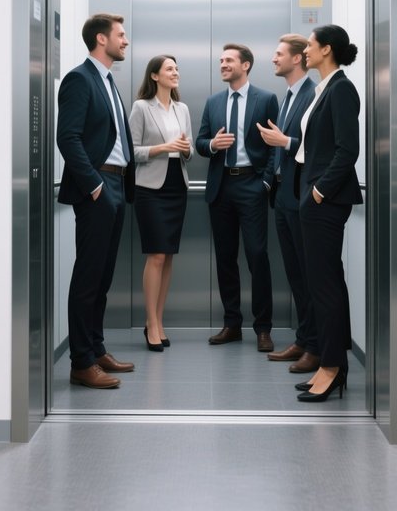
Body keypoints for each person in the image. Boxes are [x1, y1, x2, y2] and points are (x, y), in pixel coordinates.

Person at [57, 13, 136, 389]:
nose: (125, 40)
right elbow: (68, 137)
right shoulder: (80, 79)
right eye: (120, 34)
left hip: (117, 183)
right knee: (88, 277)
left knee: (103, 276)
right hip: (99, 186)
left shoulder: (107, 81)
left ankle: (96, 347)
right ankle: (81, 362)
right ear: (101, 39)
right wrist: (94, 186)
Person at [293, 24, 363, 402]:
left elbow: (347, 150)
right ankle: (330, 364)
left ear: (327, 49)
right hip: (315, 197)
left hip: (326, 200)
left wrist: (319, 191)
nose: (305, 50)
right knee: (325, 282)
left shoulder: (341, 89)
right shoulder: (325, 88)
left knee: (325, 286)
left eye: (310, 45)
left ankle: (332, 367)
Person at [196, 43, 279, 352]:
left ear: (246, 65)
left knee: (257, 255)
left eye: (229, 60)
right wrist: (212, 145)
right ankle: (232, 324)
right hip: (221, 187)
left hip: (252, 185)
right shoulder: (213, 102)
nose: (223, 64)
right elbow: (200, 142)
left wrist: (266, 182)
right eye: (221, 60)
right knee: (225, 257)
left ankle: (263, 328)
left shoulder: (266, 99)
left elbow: (275, 146)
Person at [255, 34, 319, 374]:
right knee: (294, 273)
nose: (274, 59)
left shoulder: (311, 94)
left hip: (299, 195)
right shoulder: (289, 96)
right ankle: (303, 339)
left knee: (308, 275)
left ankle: (314, 346)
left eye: (279, 53)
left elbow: (315, 144)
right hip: (282, 195)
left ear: (297, 59)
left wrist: (285, 141)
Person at [128, 55, 194, 352]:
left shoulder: (183, 109)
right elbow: (132, 151)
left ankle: (158, 320)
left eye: (177, 68)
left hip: (176, 184)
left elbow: (189, 152)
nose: (175, 72)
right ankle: (151, 323)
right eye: (169, 69)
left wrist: (184, 149)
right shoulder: (141, 107)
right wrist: (164, 147)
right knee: (155, 254)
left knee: (168, 256)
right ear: (154, 76)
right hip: (150, 188)